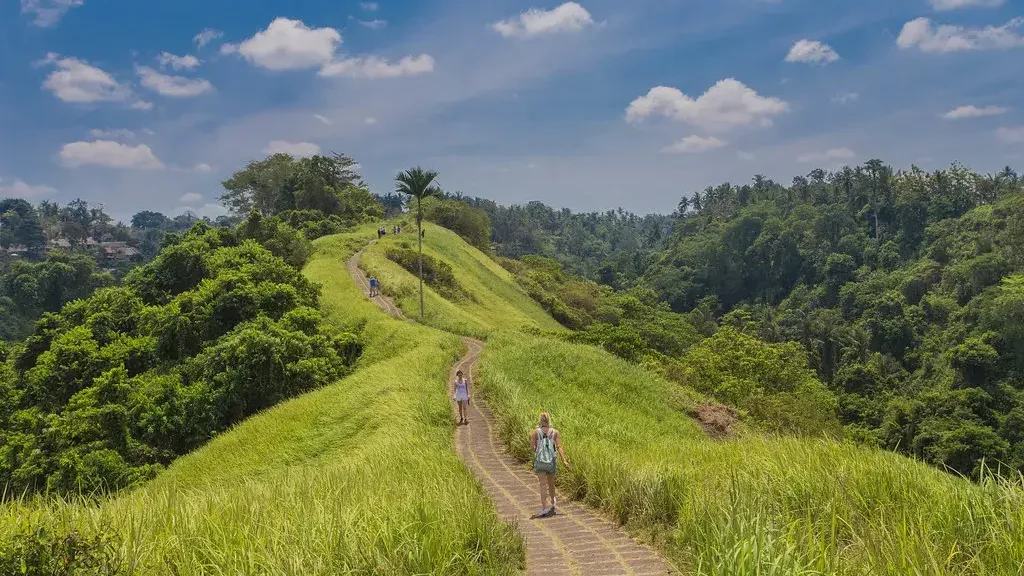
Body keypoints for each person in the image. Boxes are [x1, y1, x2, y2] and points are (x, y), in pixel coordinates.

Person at [530, 412, 569, 518]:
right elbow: (559, 447)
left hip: (540, 462)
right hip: (551, 461)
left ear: (540, 421)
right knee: (551, 483)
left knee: (542, 484)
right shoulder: (555, 432)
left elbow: (533, 448)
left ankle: (544, 507)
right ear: (549, 420)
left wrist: (538, 447)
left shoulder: (534, 432)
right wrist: (564, 460)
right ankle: (553, 503)